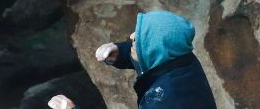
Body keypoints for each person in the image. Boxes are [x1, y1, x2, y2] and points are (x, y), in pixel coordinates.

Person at [48, 10, 217, 109]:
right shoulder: (183, 59)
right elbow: (153, 55)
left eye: (140, 38)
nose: (132, 36)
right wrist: (120, 51)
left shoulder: (163, 99)